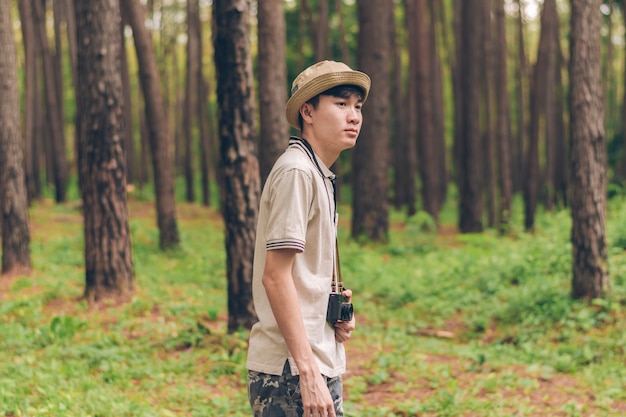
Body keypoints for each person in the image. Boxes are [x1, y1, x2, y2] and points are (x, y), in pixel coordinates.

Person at [246, 60, 371, 417]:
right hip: (291, 371)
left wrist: (332, 312)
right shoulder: (297, 172)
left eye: (358, 107)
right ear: (308, 111)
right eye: (341, 103)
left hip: (313, 362)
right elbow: (275, 275)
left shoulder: (317, 173)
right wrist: (308, 373)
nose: (354, 116)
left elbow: (299, 274)